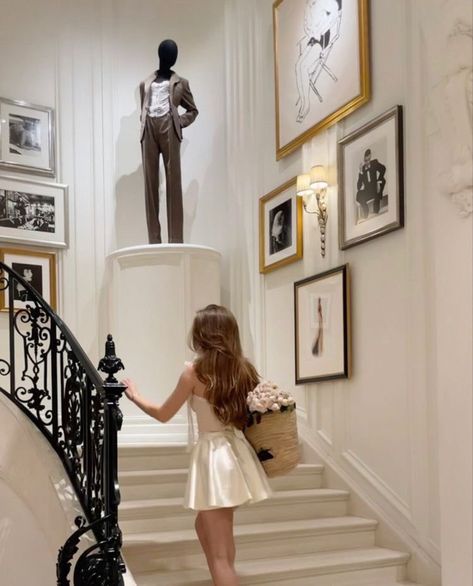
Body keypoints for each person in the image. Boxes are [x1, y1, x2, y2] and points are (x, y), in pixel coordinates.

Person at [122, 304, 271, 586]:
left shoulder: (193, 373)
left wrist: (135, 396)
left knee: (220, 555)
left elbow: (163, 414)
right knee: (207, 529)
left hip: (214, 458)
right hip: (235, 453)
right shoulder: (244, 370)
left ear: (202, 334)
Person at [139, 39, 199, 244]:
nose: (172, 57)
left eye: (174, 54)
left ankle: (175, 240)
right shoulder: (145, 84)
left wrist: (178, 123)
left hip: (168, 125)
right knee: (150, 184)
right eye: (170, 53)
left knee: (173, 183)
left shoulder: (182, 83)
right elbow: (143, 107)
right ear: (161, 55)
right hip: (149, 128)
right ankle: (153, 240)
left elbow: (193, 110)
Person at [356, 148, 387, 220]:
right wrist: (360, 172)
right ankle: (365, 210)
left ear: (370, 158)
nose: (367, 162)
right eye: (365, 160)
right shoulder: (362, 169)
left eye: (369, 160)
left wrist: (378, 181)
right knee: (358, 194)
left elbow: (383, 168)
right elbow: (358, 187)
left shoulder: (374, 163)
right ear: (364, 159)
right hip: (367, 190)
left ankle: (376, 210)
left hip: (375, 187)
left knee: (383, 180)